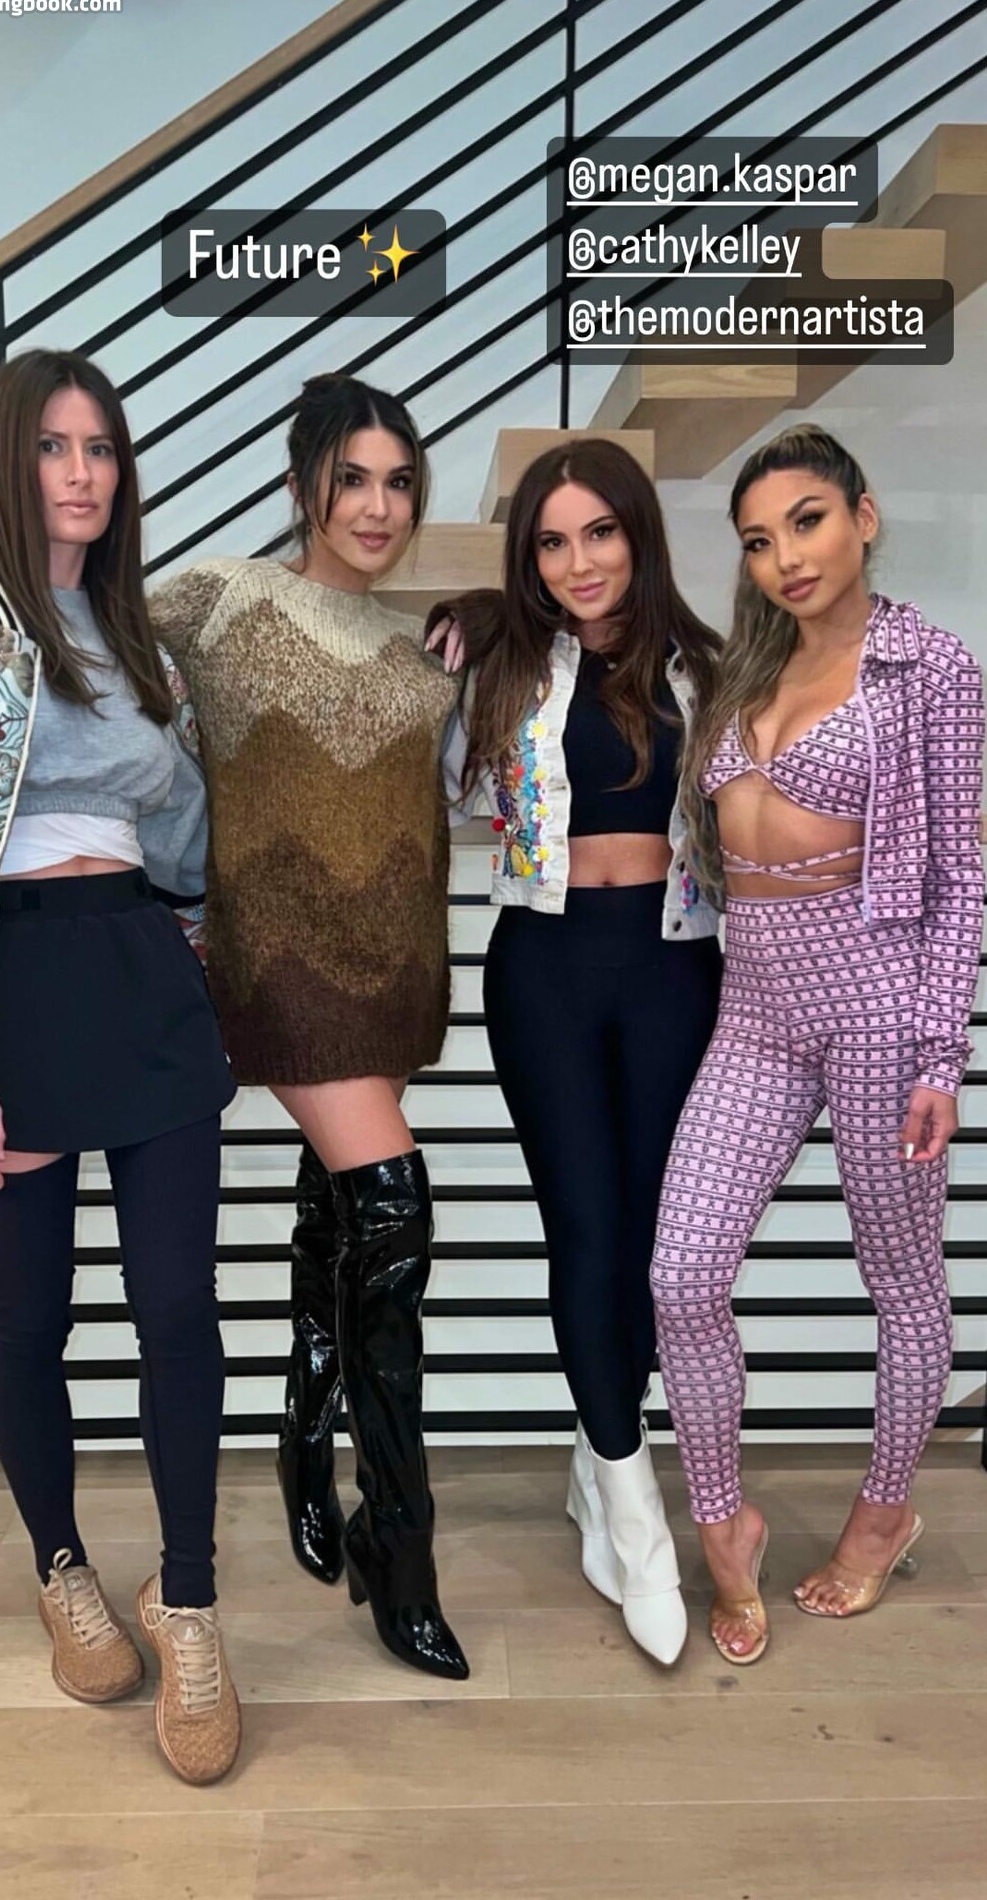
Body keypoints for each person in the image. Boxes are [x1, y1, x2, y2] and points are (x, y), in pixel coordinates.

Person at [0, 349, 241, 1783]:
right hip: (17, 986)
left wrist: (207, 938)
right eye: (54, 445)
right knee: (29, 1315)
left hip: (143, 972)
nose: (84, 472)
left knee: (178, 1306)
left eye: (101, 447)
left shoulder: (142, 638)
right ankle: (60, 1566)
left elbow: (182, 834)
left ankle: (193, 1601)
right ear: (8, 458)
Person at [149, 374, 469, 1681]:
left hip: (396, 969)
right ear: (301, 486)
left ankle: (304, 1432)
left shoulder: (425, 653)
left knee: (343, 1214)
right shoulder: (215, 599)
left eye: (399, 482)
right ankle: (402, 1545)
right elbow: (79, 656)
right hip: (276, 967)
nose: (378, 506)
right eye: (352, 480)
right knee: (393, 1211)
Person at [650, 423, 984, 1664]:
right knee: (681, 1275)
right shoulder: (746, 665)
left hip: (876, 1000)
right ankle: (723, 1521)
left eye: (806, 521)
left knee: (900, 1282)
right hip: (755, 1006)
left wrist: (940, 1054)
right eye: (757, 539)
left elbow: (962, 877)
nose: (785, 556)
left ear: (863, 516)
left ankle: (884, 1516)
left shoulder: (931, 666)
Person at [437, 437, 724, 1666]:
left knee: (659, 1254)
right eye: (551, 542)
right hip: (544, 972)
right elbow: (440, 790)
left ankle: (594, 1451)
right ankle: (634, 1513)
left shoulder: (708, 666)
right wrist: (467, 628)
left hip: (675, 971)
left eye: (598, 532)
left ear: (638, 532)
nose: (578, 562)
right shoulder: (504, 661)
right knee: (587, 1233)